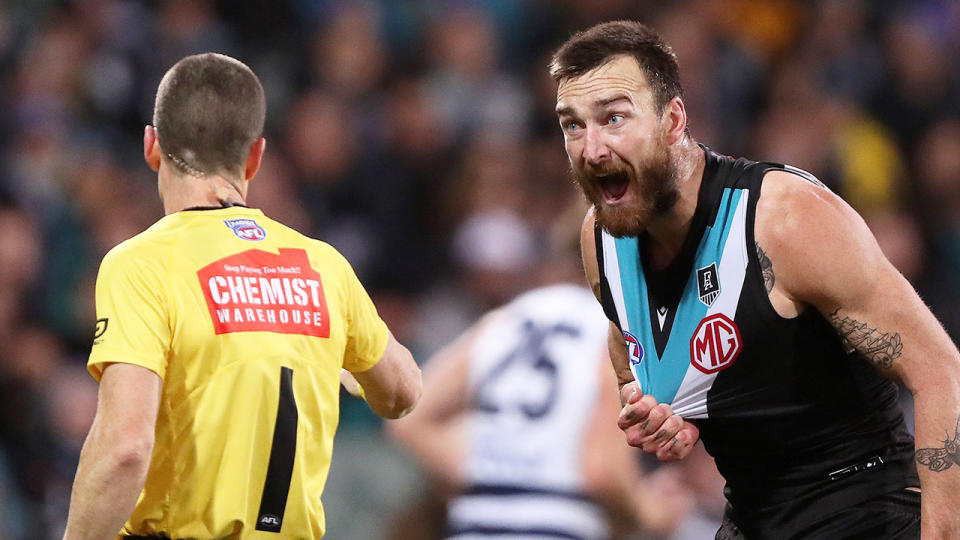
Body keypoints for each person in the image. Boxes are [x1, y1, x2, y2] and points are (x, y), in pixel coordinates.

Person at [550, 20, 960, 539]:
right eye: (573, 125)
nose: (592, 149)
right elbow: (627, 343)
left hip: (863, 512)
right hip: (750, 518)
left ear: (673, 120)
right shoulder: (601, 240)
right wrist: (655, 406)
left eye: (613, 118)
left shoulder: (782, 220)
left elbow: (943, 372)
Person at [62, 53, 422, 540]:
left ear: (152, 146)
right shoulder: (322, 265)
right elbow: (403, 392)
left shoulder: (142, 263)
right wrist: (339, 362)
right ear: (255, 155)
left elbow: (125, 447)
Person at [387, 229, 690, 540]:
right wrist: (651, 513)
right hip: (557, 524)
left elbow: (409, 413)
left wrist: (495, 469)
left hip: (475, 526)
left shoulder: (507, 319)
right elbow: (602, 472)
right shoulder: (613, 331)